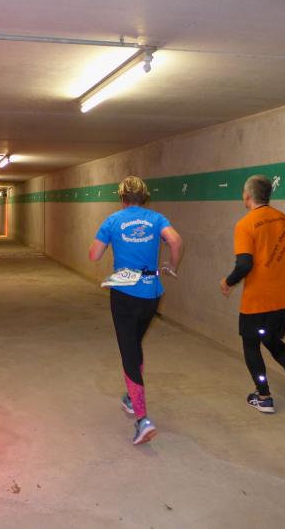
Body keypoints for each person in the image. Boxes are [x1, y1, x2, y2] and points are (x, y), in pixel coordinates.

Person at [89, 175, 183, 445]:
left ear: (122, 198)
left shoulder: (112, 221)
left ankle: (142, 419)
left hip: (124, 294)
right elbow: (176, 241)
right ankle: (132, 398)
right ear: (144, 197)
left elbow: (94, 255)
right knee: (135, 344)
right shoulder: (156, 219)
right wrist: (172, 265)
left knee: (129, 352)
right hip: (151, 294)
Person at [220, 175, 285, 414]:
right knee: (271, 338)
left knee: (251, 343)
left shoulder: (245, 224)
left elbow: (244, 264)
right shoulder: (284, 219)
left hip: (258, 299)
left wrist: (228, 282)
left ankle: (263, 396)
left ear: (247, 195)